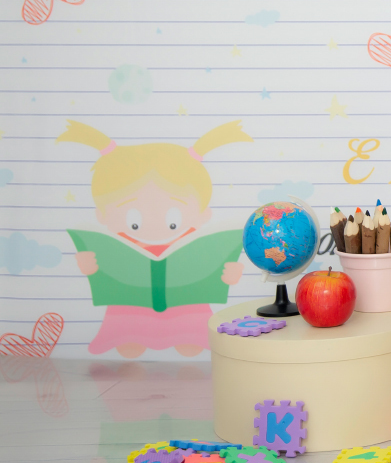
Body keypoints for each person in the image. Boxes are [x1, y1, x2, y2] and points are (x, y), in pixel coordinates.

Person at [58, 120, 252, 358]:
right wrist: (90, 266)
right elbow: (102, 275)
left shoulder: (195, 245)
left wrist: (228, 275)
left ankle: (186, 336)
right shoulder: (115, 246)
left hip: (188, 310)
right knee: (128, 348)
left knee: (191, 347)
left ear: (204, 215)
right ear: (103, 215)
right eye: (134, 221)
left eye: (173, 220)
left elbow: (213, 272)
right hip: (127, 310)